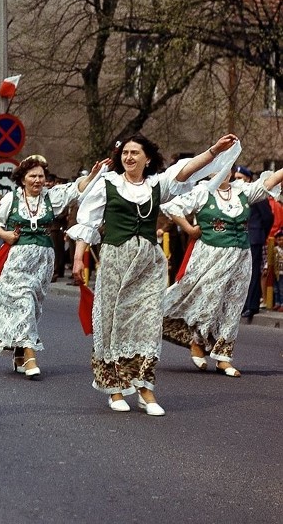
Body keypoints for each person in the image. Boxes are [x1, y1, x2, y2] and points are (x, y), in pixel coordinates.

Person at [70, 132, 239, 417]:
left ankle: (145, 387)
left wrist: (213, 150)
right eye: (125, 152)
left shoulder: (157, 185)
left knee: (148, 323)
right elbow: (87, 222)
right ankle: (115, 387)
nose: (129, 157)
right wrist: (78, 258)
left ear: (147, 159)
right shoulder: (107, 183)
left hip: (148, 262)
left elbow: (185, 170)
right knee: (114, 322)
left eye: (135, 153)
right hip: (115, 260)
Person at [0, 155, 107, 376]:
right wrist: (5, 234)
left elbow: (75, 190)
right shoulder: (11, 199)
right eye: (33, 176)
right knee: (24, 302)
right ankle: (30, 357)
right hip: (16, 261)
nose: (38, 180)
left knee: (34, 306)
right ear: (23, 179)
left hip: (43, 260)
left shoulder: (52, 197)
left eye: (41, 176)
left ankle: (19, 353)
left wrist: (92, 175)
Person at [160, 164, 283, 376]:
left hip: (240, 256)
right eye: (217, 168)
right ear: (209, 172)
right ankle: (197, 343)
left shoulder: (242, 190)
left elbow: (270, 182)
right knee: (208, 299)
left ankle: (223, 357)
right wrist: (190, 229)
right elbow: (172, 208)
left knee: (233, 305)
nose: (222, 173)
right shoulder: (201, 191)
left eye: (227, 168)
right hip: (209, 254)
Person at [234, 165, 274, 320]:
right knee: (242, 272)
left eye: (240, 178)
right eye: (235, 178)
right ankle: (244, 304)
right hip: (241, 238)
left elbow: (268, 217)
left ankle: (251, 306)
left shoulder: (256, 194)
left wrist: (260, 233)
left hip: (254, 237)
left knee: (253, 272)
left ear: (248, 179)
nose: (236, 181)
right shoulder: (238, 194)